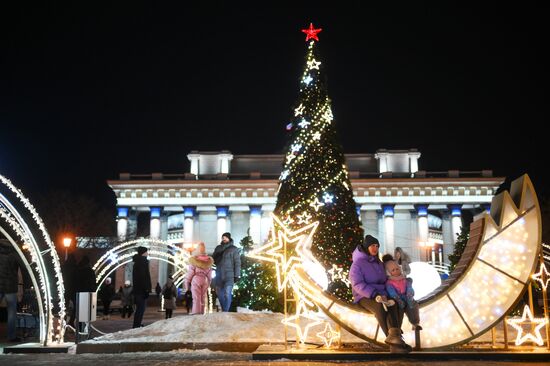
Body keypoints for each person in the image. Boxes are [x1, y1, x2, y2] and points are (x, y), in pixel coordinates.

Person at [349, 235, 411, 353]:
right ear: (367, 247)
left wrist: (395, 290)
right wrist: (374, 294)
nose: (375, 248)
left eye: (377, 246)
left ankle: (395, 338)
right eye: (372, 245)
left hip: (382, 294)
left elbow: (386, 280)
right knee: (380, 308)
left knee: (395, 304)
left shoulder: (379, 263)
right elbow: (357, 284)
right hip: (364, 296)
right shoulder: (357, 264)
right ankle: (396, 344)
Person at [383, 255, 421, 330]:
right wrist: (397, 299)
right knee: (398, 310)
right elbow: (391, 292)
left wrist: (410, 293)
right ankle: (397, 328)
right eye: (393, 270)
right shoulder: (389, 283)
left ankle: (415, 323)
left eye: (397, 269)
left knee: (413, 305)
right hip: (397, 299)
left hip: (407, 297)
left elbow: (409, 287)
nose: (396, 271)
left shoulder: (404, 279)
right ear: (389, 273)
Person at [212, 232, 241, 312]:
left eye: (225, 237)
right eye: (223, 237)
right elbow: (213, 260)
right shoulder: (218, 248)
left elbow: (237, 263)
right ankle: (225, 310)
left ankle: (225, 312)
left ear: (229, 238)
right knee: (219, 294)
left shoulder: (234, 249)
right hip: (219, 274)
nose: (224, 239)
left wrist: (237, 275)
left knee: (227, 293)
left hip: (229, 275)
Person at [0, 239, 21, 342]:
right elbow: (22, 265)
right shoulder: (14, 253)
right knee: (11, 313)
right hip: (10, 286)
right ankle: (11, 336)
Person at [185, 242, 213, 315]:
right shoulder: (208, 261)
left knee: (196, 297)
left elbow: (190, 273)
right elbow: (210, 275)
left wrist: (187, 283)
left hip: (196, 279)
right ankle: (202, 312)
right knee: (202, 297)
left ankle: (196, 312)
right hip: (205, 280)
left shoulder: (194, 260)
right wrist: (209, 283)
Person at [132, 246, 151, 328]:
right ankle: (136, 325)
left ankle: (137, 324)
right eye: (146, 252)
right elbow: (143, 277)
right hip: (141, 290)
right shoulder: (142, 262)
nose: (148, 253)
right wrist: (146, 289)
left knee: (139, 309)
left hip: (137, 290)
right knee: (141, 309)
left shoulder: (137, 262)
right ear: (143, 253)